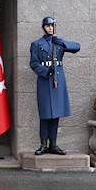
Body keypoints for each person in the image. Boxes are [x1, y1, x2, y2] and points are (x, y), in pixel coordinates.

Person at [30, 17, 80, 156]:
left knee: (56, 114)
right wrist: (46, 71)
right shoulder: (36, 44)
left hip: (58, 81)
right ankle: (43, 145)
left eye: (52, 25)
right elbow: (34, 64)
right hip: (45, 81)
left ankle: (53, 144)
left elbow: (77, 47)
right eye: (47, 26)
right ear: (43, 27)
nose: (50, 28)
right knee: (45, 114)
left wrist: (62, 43)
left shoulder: (59, 43)